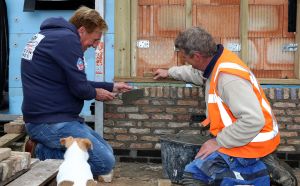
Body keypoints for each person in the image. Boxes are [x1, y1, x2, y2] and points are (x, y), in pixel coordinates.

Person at [154, 27, 297, 186]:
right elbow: (196, 73)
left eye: (185, 58)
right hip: (239, 137)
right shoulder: (216, 61)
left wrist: (218, 142)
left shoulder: (228, 78)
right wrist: (170, 72)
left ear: (197, 56)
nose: (186, 61)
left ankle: (261, 174)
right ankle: (262, 170)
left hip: (249, 142)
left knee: (194, 176)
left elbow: (253, 120)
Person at [21, 6, 132, 178]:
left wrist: (111, 86)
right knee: (104, 161)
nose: (95, 46)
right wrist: (97, 94)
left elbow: (73, 82)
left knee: (106, 150)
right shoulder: (67, 40)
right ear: (81, 30)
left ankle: (44, 147)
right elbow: (80, 88)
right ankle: (43, 154)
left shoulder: (51, 36)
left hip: (52, 117)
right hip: (50, 122)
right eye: (95, 40)